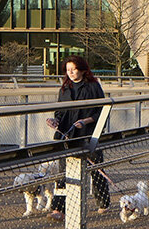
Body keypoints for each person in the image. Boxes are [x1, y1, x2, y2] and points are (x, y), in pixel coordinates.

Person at [46, 56, 110, 216]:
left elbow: (102, 110)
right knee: (63, 173)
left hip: (88, 134)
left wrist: (86, 121)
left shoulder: (93, 86)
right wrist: (55, 121)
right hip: (67, 135)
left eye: (73, 69)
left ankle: (103, 202)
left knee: (96, 169)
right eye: (68, 70)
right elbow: (60, 111)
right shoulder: (64, 88)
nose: (71, 72)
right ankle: (59, 208)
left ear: (82, 69)